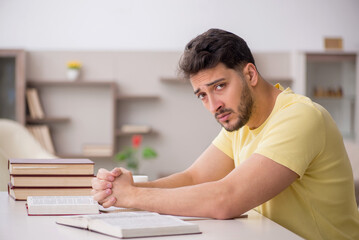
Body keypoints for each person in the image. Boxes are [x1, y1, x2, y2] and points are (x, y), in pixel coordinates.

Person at [92, 29, 359, 239]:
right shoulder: (239, 121)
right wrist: (125, 189)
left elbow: (227, 199)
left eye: (219, 86)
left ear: (250, 74)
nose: (213, 105)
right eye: (202, 95)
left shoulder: (300, 116)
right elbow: (194, 177)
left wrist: (132, 197)